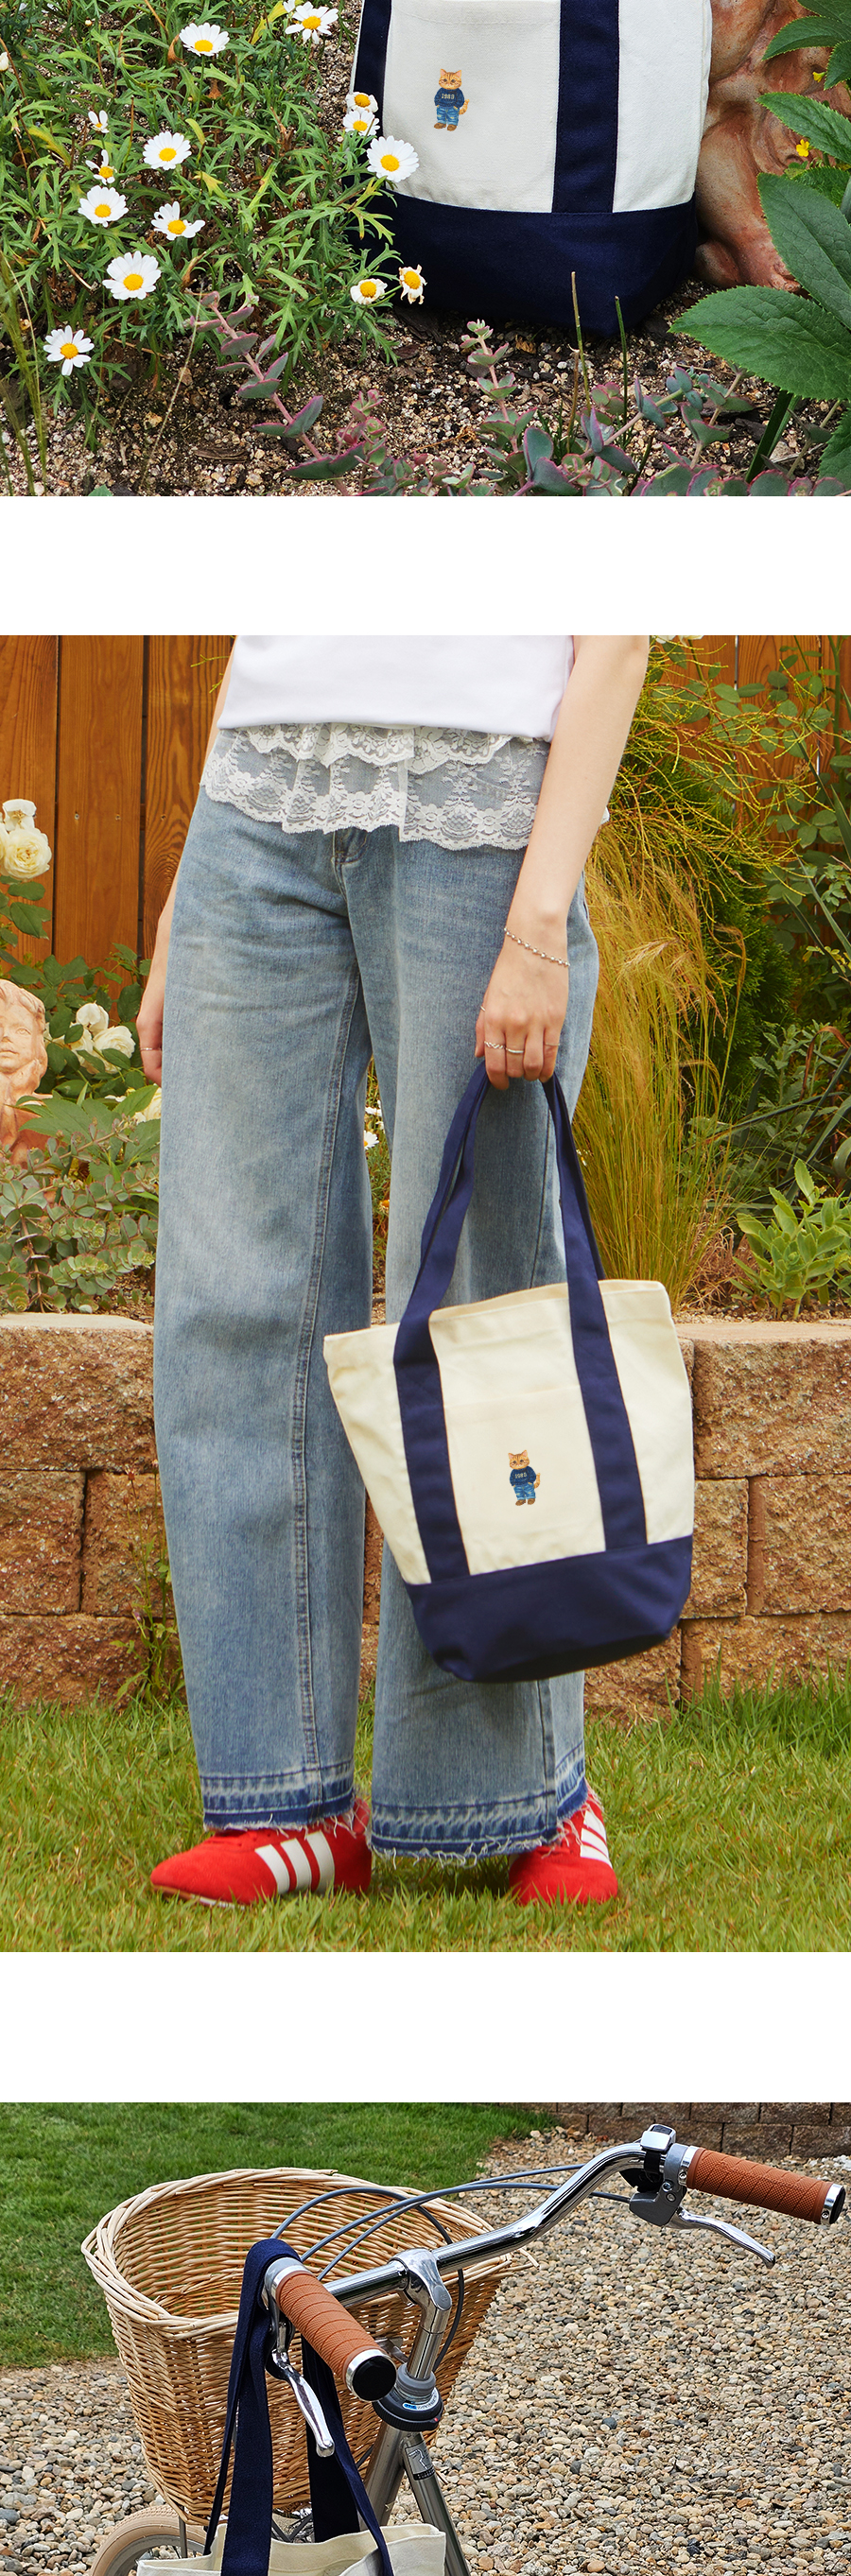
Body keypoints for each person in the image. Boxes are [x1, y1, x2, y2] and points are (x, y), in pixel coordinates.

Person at [139, 624, 649, 1911]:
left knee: (486, 1305)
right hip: (258, 803)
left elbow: (619, 624)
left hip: (484, 800)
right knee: (229, 1305)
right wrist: (182, 906)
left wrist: (543, 919)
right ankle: (280, 1803)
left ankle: (528, 1792)